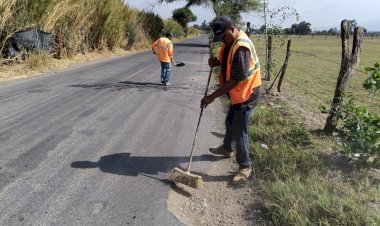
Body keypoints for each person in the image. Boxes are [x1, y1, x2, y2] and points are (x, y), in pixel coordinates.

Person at [200, 16, 261, 183]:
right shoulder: (231, 42)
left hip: (247, 94)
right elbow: (230, 62)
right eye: (220, 38)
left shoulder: (241, 47)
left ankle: (245, 166)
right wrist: (217, 62)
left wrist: (211, 97)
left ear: (232, 29)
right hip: (237, 94)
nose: (223, 41)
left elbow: (236, 78)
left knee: (239, 130)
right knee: (229, 123)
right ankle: (227, 148)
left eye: (224, 37)